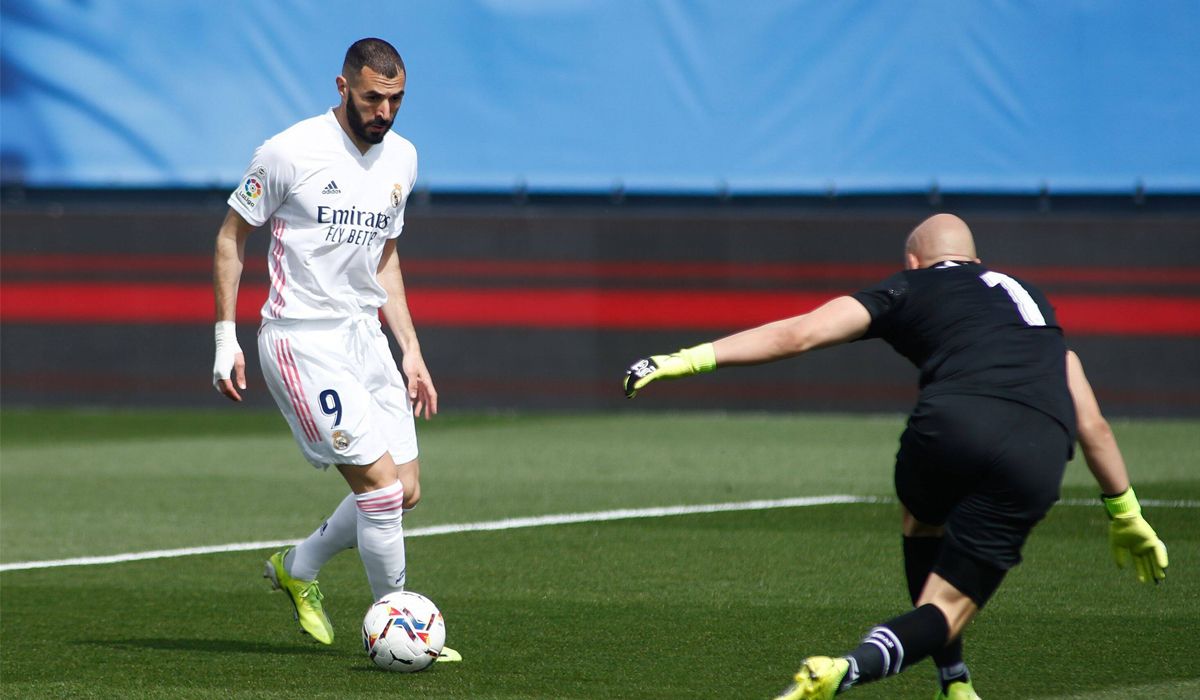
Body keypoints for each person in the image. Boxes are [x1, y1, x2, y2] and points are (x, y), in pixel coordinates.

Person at [622, 214, 1166, 699]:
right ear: (977, 256)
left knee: (922, 519)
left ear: (913, 258)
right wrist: (1126, 513)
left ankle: (946, 677)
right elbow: (1091, 421)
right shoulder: (1031, 301)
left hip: (949, 427)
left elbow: (800, 334)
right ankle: (869, 672)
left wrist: (686, 359)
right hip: (1039, 447)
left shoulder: (910, 285)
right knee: (947, 607)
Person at [212, 37, 458, 661]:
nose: (386, 111)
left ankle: (299, 566)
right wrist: (224, 338)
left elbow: (387, 261)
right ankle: (400, 633)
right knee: (377, 493)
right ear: (343, 87)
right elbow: (229, 238)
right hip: (301, 340)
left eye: (397, 100)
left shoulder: (402, 158)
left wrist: (411, 349)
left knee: (404, 491)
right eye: (374, 97)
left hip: (363, 337)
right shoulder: (289, 151)